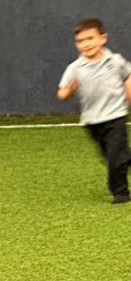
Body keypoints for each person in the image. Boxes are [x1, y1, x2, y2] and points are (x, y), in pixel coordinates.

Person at [57, 17, 131, 204]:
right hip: (91, 121)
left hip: (115, 116)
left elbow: (128, 75)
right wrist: (68, 91)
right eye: (80, 41)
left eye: (90, 38)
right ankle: (123, 161)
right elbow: (62, 93)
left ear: (102, 39)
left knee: (115, 157)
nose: (86, 44)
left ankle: (120, 193)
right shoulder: (74, 68)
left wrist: (129, 92)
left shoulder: (115, 61)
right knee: (113, 157)